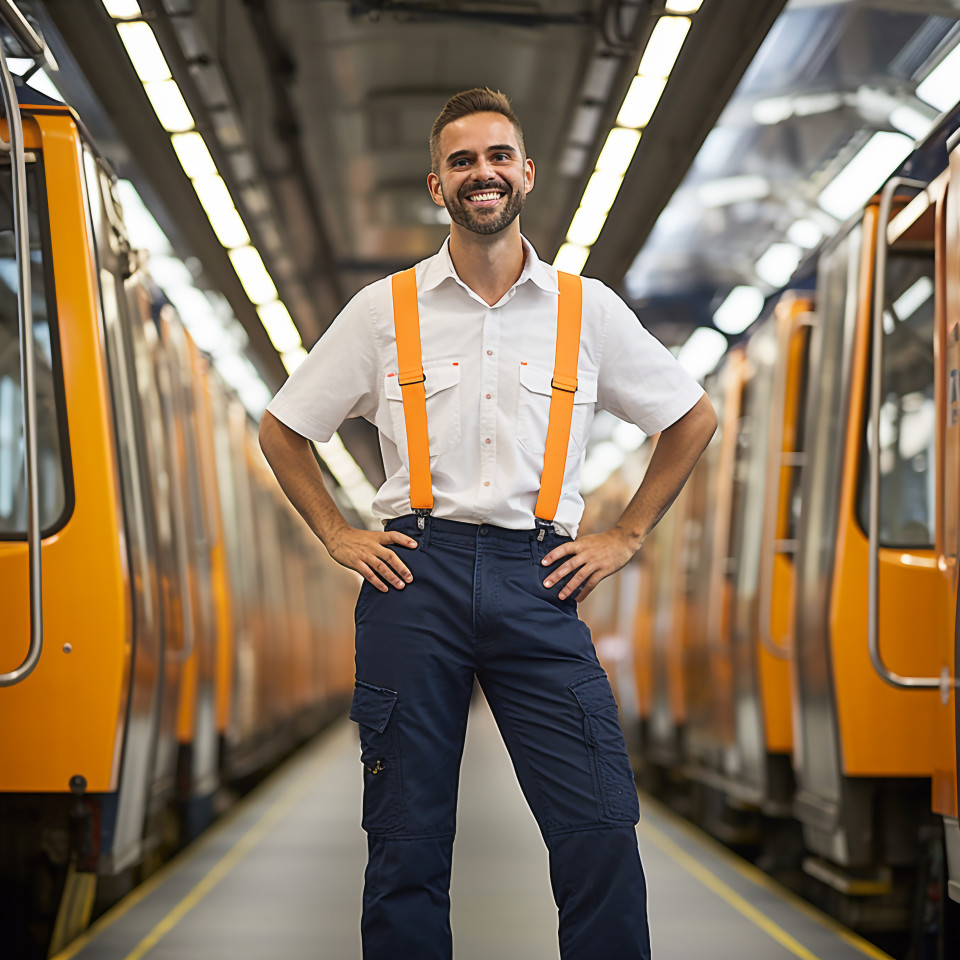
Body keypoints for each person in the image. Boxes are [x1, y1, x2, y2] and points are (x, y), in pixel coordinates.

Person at [259, 87, 717, 960]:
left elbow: (690, 418)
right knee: (406, 844)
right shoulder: (384, 310)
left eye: (498, 157)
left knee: (599, 830)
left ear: (526, 172)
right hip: (413, 581)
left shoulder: (586, 310)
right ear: (438, 186)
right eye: (463, 161)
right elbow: (283, 428)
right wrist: (337, 532)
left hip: (539, 581)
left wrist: (627, 534)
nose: (484, 174)